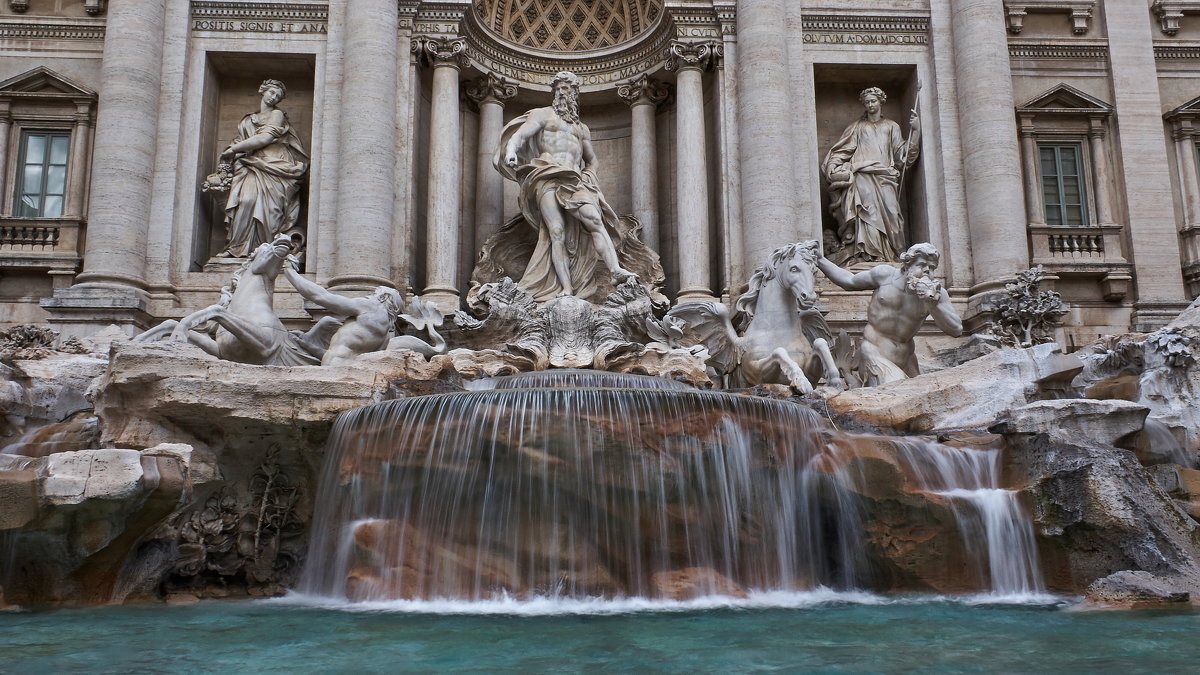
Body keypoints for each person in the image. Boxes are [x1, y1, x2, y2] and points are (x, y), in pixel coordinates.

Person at [495, 71, 638, 302]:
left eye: (568, 89)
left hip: (575, 180)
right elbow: (520, 137)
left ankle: (615, 271)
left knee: (595, 220)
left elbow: (591, 159)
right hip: (546, 175)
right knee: (557, 232)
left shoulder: (582, 129)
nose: (563, 92)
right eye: (560, 88)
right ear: (554, 92)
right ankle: (566, 289)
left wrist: (590, 175)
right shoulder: (542, 115)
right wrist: (511, 151)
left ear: (575, 94)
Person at [815, 242, 961, 386]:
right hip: (874, 353)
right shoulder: (885, 275)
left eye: (932, 268)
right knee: (899, 394)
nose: (927, 271)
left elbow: (956, 329)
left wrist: (932, 303)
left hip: (907, 359)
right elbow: (849, 281)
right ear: (907, 264)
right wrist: (820, 260)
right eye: (922, 265)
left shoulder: (938, 294)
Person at [822, 86, 919, 265]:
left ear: (881, 102)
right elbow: (841, 151)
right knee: (867, 213)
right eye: (867, 102)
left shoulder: (891, 126)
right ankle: (869, 254)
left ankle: (891, 254)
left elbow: (902, 157)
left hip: (886, 176)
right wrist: (833, 167)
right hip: (862, 175)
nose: (870, 105)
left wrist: (916, 132)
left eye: (873, 101)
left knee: (892, 214)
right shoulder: (857, 127)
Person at [216, 79, 309, 258]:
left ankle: (267, 250)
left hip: (275, 165)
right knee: (246, 200)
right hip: (251, 164)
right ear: (262, 90)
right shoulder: (248, 120)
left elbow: (265, 138)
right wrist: (235, 150)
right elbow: (244, 140)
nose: (274, 97)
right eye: (272, 92)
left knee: (271, 210)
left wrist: (234, 149)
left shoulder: (277, 115)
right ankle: (238, 247)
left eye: (278, 96)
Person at [282, 256, 404, 367]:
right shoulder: (385, 337)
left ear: (383, 297)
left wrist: (290, 272)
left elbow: (320, 296)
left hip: (335, 373)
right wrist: (307, 345)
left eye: (373, 294)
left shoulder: (372, 307)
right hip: (340, 372)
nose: (369, 297)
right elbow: (343, 356)